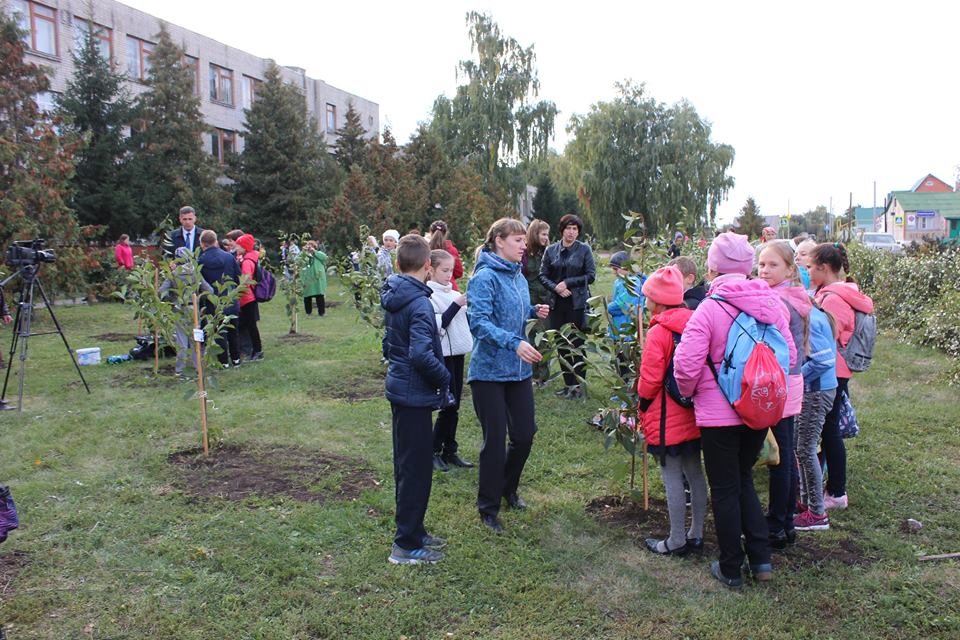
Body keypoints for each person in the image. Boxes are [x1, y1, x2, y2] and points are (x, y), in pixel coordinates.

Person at [673, 231, 796, 588]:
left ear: (711, 268)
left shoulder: (710, 308)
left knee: (725, 488)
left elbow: (687, 364)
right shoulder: (773, 305)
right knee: (742, 480)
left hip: (719, 415)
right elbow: (789, 357)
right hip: (759, 410)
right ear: (747, 267)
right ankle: (761, 559)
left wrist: (689, 393)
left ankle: (730, 567)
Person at [468, 218, 550, 533]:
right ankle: (487, 508)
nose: (523, 245)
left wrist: (532, 312)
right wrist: (513, 342)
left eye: (523, 241)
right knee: (494, 441)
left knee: (525, 435)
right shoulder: (484, 277)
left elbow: (512, 312)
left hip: (517, 372)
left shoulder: (517, 275)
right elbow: (478, 323)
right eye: (517, 240)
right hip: (488, 372)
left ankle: (507, 488)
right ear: (499, 241)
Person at [381, 234, 451, 565]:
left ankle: (415, 530)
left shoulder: (396, 294)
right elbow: (421, 354)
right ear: (427, 266)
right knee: (416, 471)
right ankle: (406, 545)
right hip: (414, 395)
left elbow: (389, 344)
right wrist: (445, 378)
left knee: (409, 467)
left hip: (402, 391)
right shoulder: (420, 302)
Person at [637, 266, 707, 556]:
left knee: (672, 476)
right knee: (695, 472)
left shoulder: (659, 331)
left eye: (648, 297)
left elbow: (651, 378)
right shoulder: (695, 321)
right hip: (693, 411)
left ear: (658, 300)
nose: (645, 302)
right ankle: (697, 533)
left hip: (667, 416)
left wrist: (641, 401)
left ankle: (676, 539)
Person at [809, 243, 874, 512]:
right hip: (837, 370)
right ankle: (831, 486)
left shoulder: (832, 298)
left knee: (829, 430)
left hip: (831, 371)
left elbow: (826, 337)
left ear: (824, 268)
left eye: (811, 267)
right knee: (828, 429)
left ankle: (836, 491)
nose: (808, 271)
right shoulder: (844, 292)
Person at [757, 242, 812, 550]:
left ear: (790, 269)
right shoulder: (796, 295)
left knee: (779, 457)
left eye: (772, 265)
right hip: (791, 381)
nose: (764, 270)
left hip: (779, 383)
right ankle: (786, 521)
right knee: (786, 453)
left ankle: (777, 524)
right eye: (762, 264)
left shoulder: (777, 300)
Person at [538, 214, 596, 399]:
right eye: (568, 228)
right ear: (562, 230)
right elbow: (542, 274)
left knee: (576, 344)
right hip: (556, 303)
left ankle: (579, 386)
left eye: (575, 229)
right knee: (561, 344)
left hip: (576, 303)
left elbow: (591, 275)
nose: (571, 232)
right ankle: (568, 384)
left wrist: (568, 283)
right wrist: (556, 287)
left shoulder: (584, 250)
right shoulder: (551, 250)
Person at [427, 249, 474, 472]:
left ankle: (450, 449)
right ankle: (433, 450)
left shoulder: (452, 291)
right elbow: (439, 324)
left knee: (455, 404)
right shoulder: (429, 295)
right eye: (444, 270)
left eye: (450, 270)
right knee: (447, 404)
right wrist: (457, 304)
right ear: (431, 269)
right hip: (443, 355)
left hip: (458, 353)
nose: (448, 275)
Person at [793, 302, 838, 532]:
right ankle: (806, 503)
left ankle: (818, 514)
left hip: (816, 391)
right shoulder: (811, 314)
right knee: (800, 447)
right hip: (813, 390)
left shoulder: (810, 318)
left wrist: (797, 376)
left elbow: (824, 360)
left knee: (806, 449)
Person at [158, 247, 213, 377]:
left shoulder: (174, 274)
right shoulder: (195, 272)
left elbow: (161, 292)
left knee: (181, 340)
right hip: (193, 308)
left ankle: (180, 369)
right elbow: (209, 290)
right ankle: (198, 367)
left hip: (179, 307)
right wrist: (199, 297)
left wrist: (172, 299)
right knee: (196, 338)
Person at [197, 230, 242, 369]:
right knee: (233, 330)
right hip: (229, 296)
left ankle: (223, 361)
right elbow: (237, 276)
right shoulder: (228, 257)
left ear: (202, 243)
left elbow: (200, 283)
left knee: (219, 331)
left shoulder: (201, 260)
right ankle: (236, 358)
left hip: (213, 300)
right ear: (215, 241)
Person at [521, 219, 551, 385]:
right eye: (543, 234)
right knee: (531, 336)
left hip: (545, 299)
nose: (546, 237)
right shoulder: (525, 253)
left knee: (544, 337)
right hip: (530, 298)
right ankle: (533, 374)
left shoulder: (548, 252)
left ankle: (544, 375)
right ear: (534, 234)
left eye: (547, 234)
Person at [235, 234, 264, 362]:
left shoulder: (247, 261)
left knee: (250, 326)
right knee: (250, 325)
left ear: (244, 247)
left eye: (238, 245)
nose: (236, 247)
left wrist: (237, 292)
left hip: (246, 298)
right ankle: (255, 350)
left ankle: (257, 351)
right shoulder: (251, 257)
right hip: (249, 297)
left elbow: (245, 281)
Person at [428, 220, 464, 291]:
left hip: (429, 288)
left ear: (430, 232)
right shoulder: (452, 250)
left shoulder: (425, 250)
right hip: (449, 288)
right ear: (446, 233)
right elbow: (459, 272)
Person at [300, 241, 328, 317]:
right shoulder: (303, 256)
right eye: (308, 246)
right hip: (307, 279)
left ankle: (321, 313)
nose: (309, 248)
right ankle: (308, 313)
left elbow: (325, 257)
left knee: (319, 296)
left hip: (318, 279)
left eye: (311, 246)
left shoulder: (318, 254)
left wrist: (314, 252)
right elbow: (296, 260)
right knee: (307, 297)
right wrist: (303, 252)